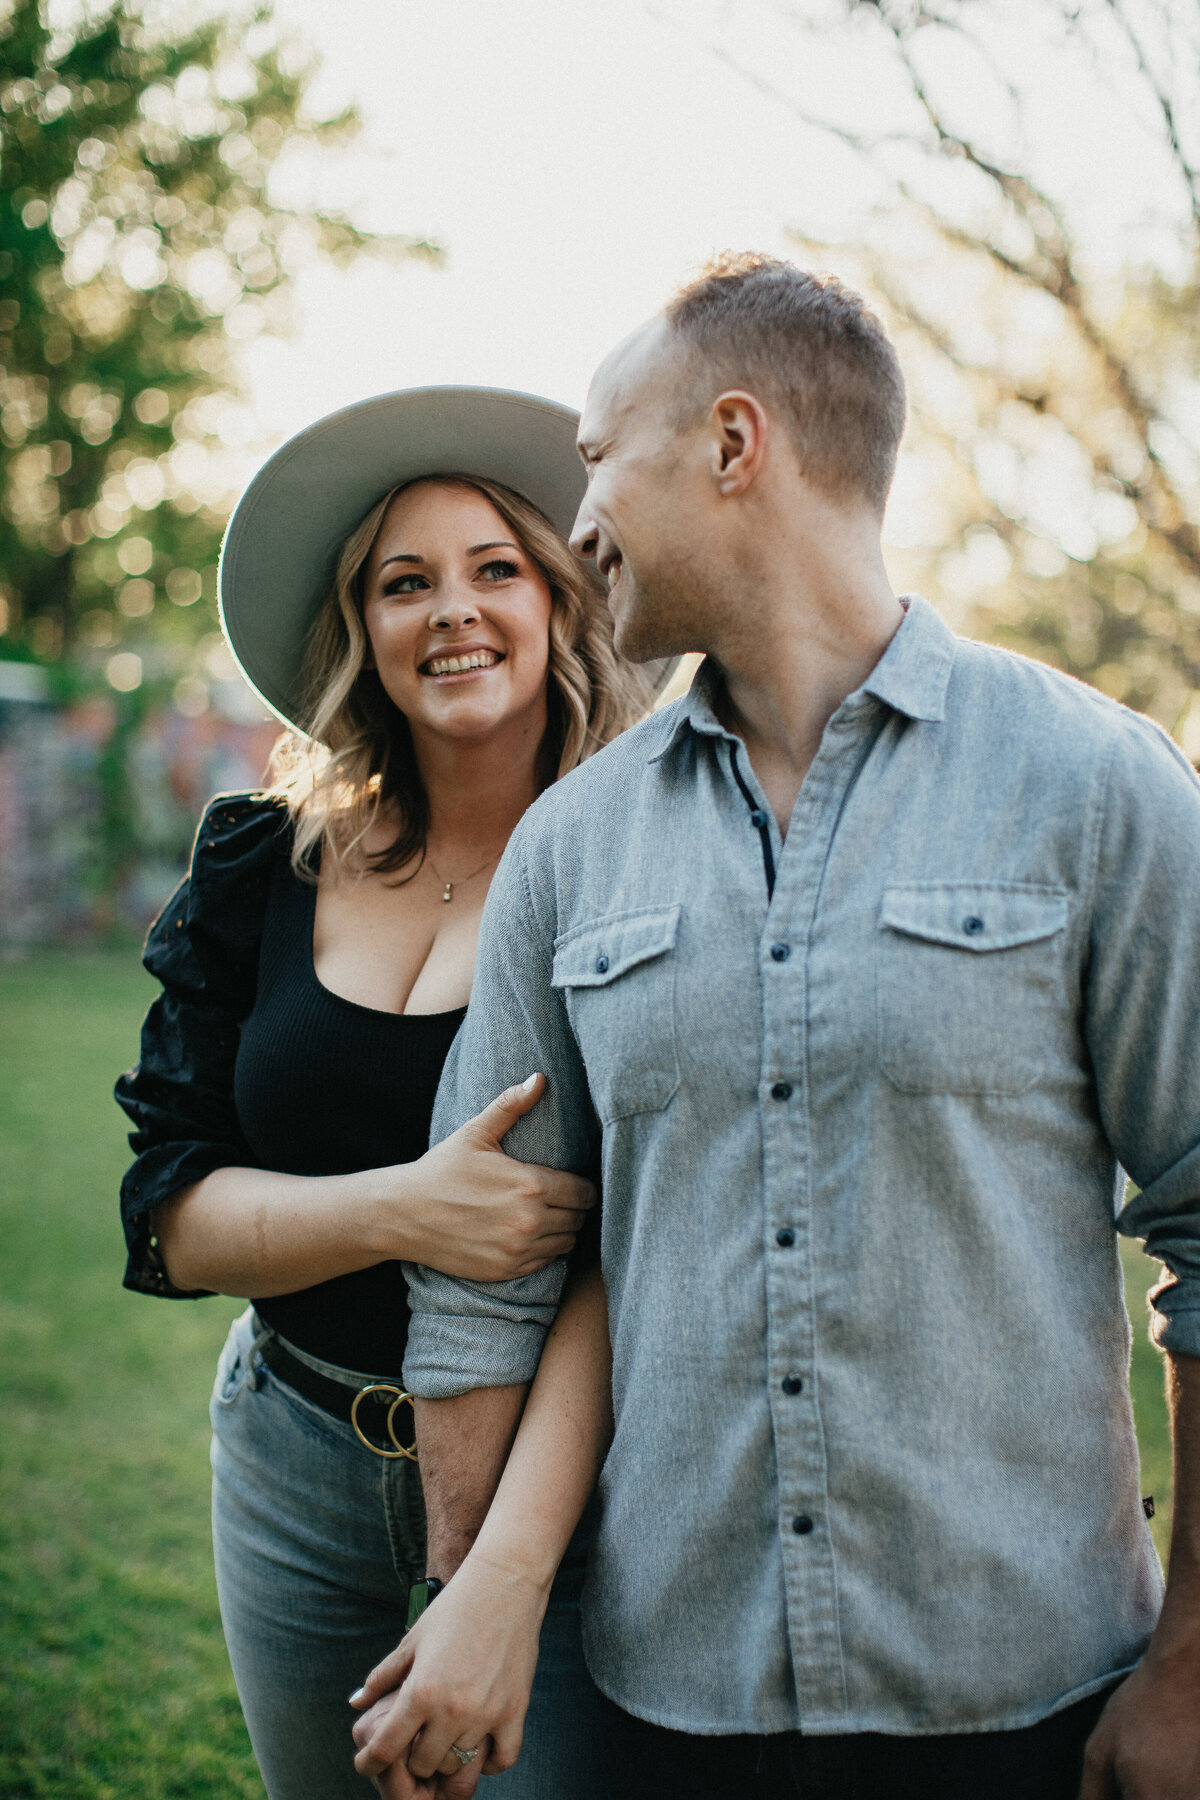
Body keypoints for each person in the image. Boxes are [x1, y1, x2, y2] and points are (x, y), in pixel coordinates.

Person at [350, 258, 1200, 1800]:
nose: (581, 517)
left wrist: (1194, 1671)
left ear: (735, 445)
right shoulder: (573, 846)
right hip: (663, 1705)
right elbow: (486, 1284)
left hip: (1023, 1697)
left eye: (601, 458)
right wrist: (478, 1605)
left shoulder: (1100, 789)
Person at [114, 385, 668, 1800]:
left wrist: (504, 1568)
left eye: (495, 570)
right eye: (402, 583)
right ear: (361, 627)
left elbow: (638, 1245)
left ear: (557, 600)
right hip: (289, 1452)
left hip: (558, 1487)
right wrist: (413, 1210)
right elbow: (173, 1217)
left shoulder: (642, 875)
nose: (454, 612)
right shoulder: (262, 863)